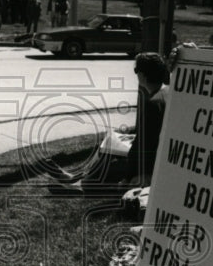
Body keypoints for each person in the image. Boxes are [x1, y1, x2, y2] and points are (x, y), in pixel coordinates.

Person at [48, 52, 170, 195]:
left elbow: (142, 147)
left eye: (136, 71)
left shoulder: (153, 103)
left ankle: (82, 186)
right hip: (158, 156)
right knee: (110, 143)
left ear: (142, 75)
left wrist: (129, 177)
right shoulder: (166, 92)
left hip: (150, 165)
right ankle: (77, 178)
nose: (136, 75)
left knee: (111, 160)